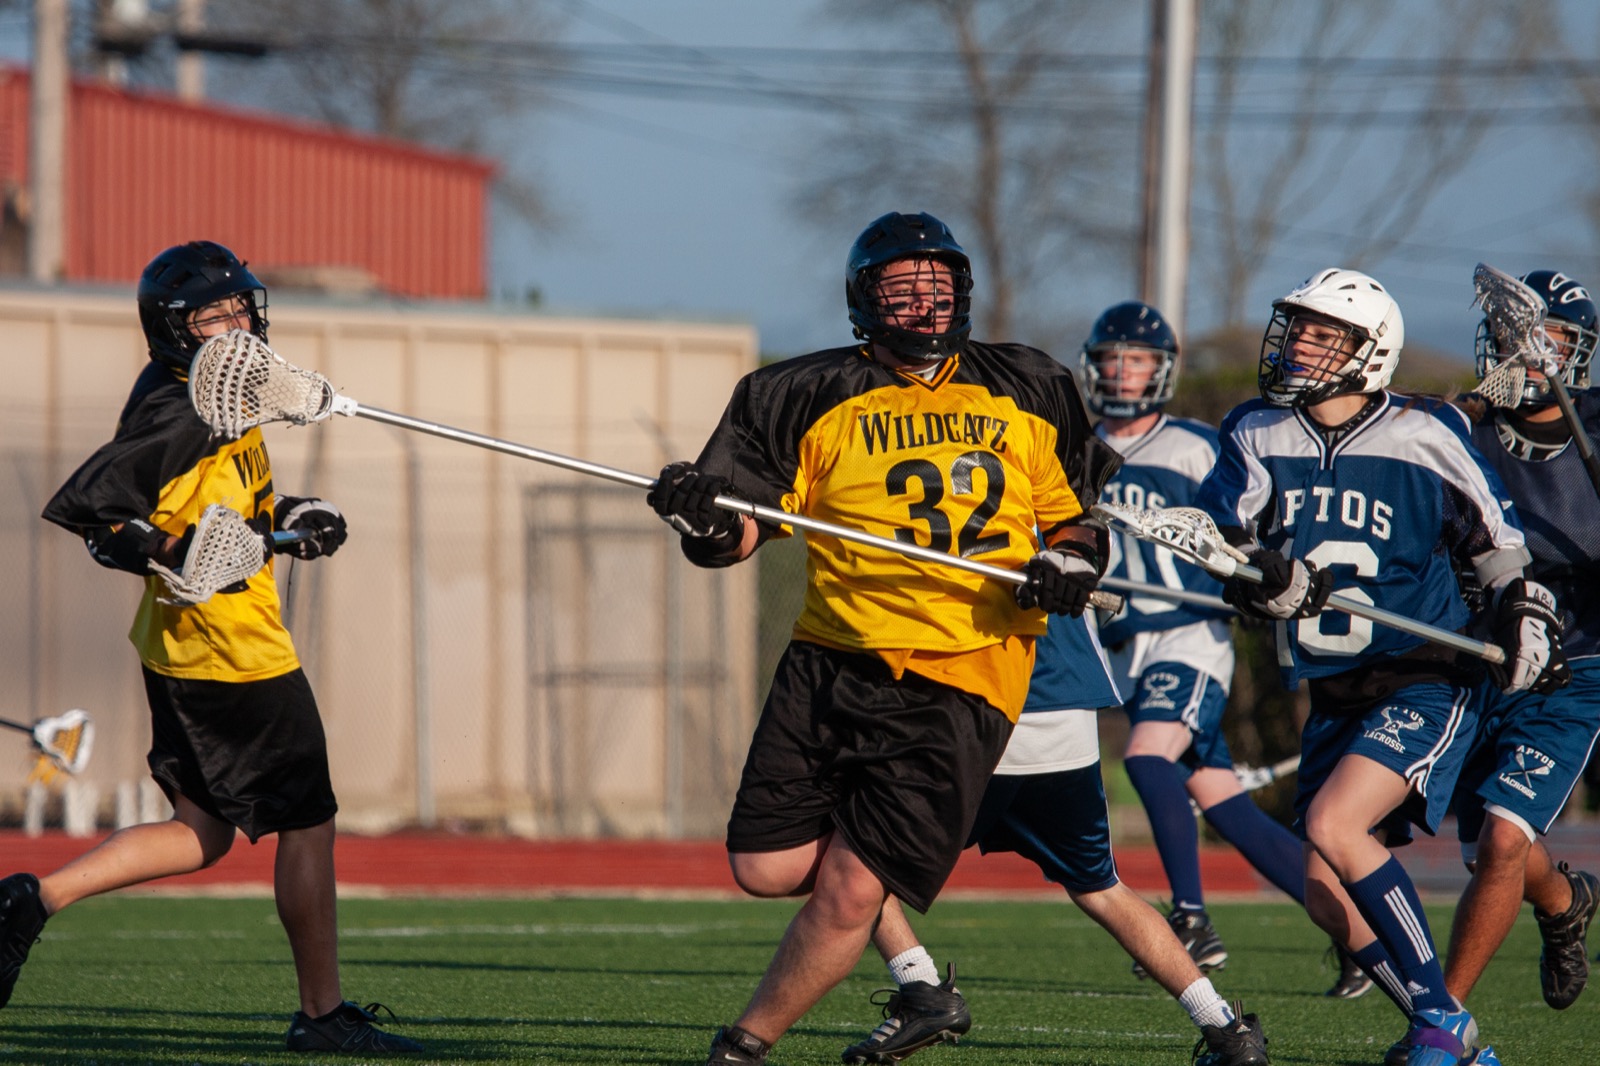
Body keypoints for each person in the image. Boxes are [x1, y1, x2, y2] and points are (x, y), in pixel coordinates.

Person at [646, 211, 1120, 1066]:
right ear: (865, 300)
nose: (924, 304)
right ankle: (918, 986)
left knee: (850, 890)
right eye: (903, 288)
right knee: (764, 867)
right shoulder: (796, 392)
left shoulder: (1028, 382)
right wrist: (700, 519)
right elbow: (737, 536)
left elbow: (1080, 523)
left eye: (937, 287)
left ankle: (741, 1049)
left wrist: (1067, 562)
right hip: (830, 660)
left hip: (962, 674)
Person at [0, 241, 421, 1055]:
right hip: (231, 647)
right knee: (309, 823)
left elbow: (214, 500)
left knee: (203, 829)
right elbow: (96, 512)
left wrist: (291, 520)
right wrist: (175, 552)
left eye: (239, 309)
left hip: (191, 642)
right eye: (211, 316)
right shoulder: (185, 404)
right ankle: (323, 1016)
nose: (233, 327)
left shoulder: (216, 393)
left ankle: (29, 900)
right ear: (174, 330)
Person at [1193, 267, 1569, 1066]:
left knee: (1337, 823)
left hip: (1425, 669)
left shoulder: (1425, 434)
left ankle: (1440, 1018)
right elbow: (1227, 548)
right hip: (1333, 684)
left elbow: (1499, 548)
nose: (1300, 343)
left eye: (1325, 334)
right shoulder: (1256, 431)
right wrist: (1263, 577)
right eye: (1297, 327)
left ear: (1371, 352)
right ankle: (1448, 1033)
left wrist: (1526, 613)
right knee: (1327, 894)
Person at [839, 612, 1270, 1066]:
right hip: (1069, 713)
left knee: (855, 855)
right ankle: (1225, 1029)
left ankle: (921, 988)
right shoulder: (1080, 536)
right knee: (1103, 889)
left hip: (985, 711)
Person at [1081, 301, 1339, 991]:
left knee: (1144, 757)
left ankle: (1191, 918)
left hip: (1187, 636)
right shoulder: (1074, 449)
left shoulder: (1192, 446)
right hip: (1123, 647)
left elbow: (1243, 524)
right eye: (1111, 358)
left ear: (1160, 371)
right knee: (1225, 805)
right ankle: (1355, 931)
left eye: (1136, 359)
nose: (1121, 370)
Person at [1440, 270, 1600, 1020]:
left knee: (1503, 842)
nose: (1531, 353)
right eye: (1516, 337)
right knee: (1490, 854)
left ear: (1578, 353)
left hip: (1579, 664)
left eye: (1552, 339)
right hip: (1486, 663)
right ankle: (1565, 903)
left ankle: (1442, 1020)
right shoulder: (1463, 436)